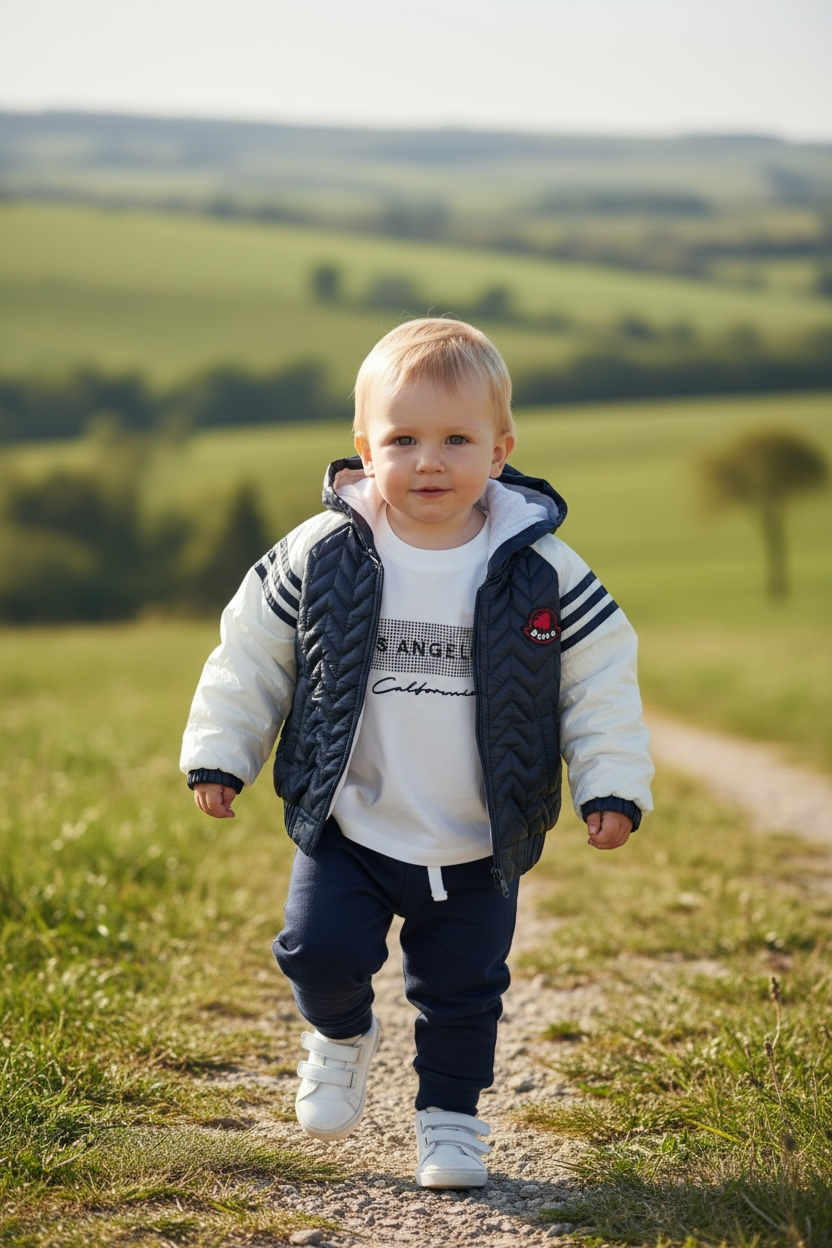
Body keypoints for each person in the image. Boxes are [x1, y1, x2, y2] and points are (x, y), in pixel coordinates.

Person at [180, 317, 653, 1189]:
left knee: (463, 990)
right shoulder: (322, 553)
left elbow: (599, 683)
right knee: (315, 952)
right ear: (364, 450)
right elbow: (251, 655)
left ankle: (451, 1124)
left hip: (478, 839)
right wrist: (221, 754)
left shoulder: (542, 571)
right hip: (350, 825)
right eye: (402, 440)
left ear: (500, 451)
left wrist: (611, 784)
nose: (429, 461)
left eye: (456, 440)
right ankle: (341, 1033)